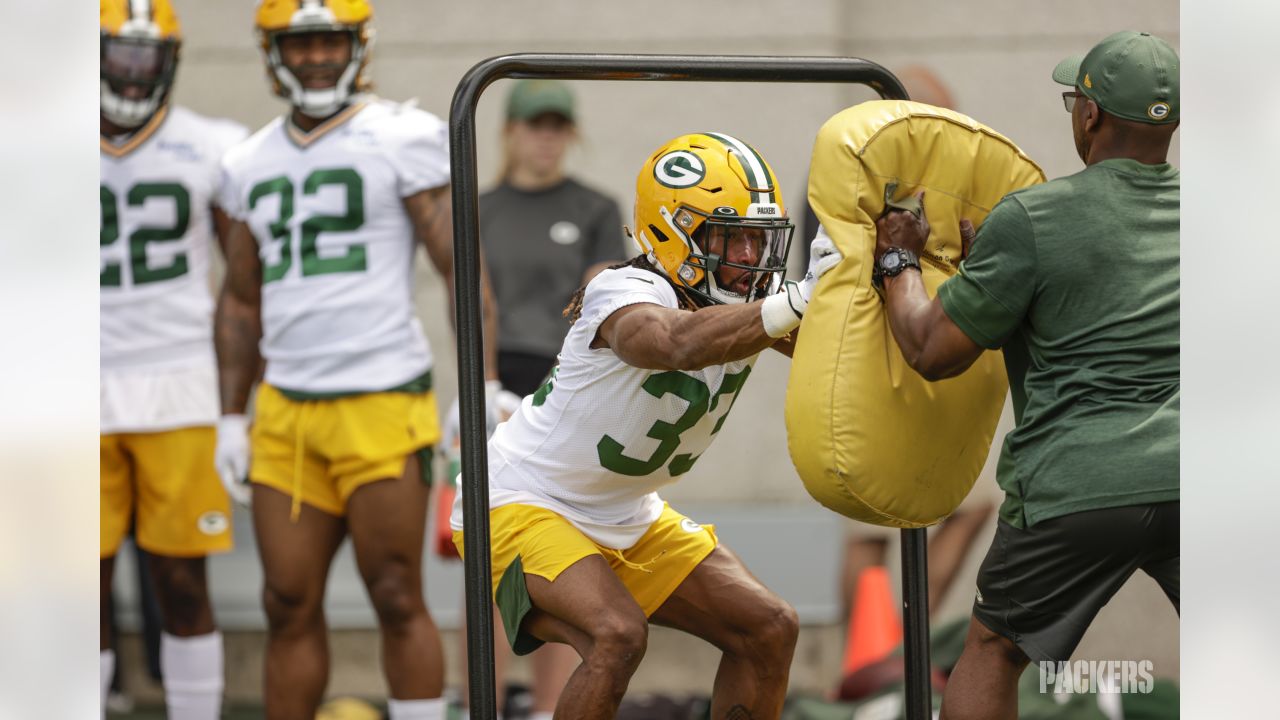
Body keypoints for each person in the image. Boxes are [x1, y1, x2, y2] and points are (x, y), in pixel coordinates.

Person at [452, 132, 843, 719]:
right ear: (671, 232)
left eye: (757, 240)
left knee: (768, 627)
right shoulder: (623, 289)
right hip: (522, 500)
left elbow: (848, 351)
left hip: (625, 513)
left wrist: (881, 275)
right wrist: (796, 301)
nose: (748, 257)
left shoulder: (755, 304)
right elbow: (671, 341)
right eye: (729, 237)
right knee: (617, 634)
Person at [871, 31, 1180, 720]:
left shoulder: (1034, 217)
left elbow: (929, 347)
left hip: (1081, 480)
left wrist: (897, 261)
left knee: (993, 648)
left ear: (1089, 116)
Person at [213, 2, 502, 718]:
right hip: (286, 409)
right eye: (299, 42)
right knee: (285, 601)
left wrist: (482, 382)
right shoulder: (245, 162)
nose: (314, 57)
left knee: (398, 593)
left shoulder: (401, 136)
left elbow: (459, 268)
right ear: (273, 52)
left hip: (381, 399)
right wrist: (228, 416)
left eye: (327, 41)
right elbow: (241, 302)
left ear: (357, 46)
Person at [446, 78, 625, 720]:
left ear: (570, 133)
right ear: (509, 131)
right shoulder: (478, 207)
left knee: (569, 553)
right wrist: (479, 386)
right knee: (489, 559)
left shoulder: (595, 207)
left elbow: (599, 299)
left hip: (568, 387)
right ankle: (481, 706)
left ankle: (551, 707)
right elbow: (468, 301)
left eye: (556, 125)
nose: (544, 138)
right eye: (533, 125)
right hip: (493, 386)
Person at [99, 1, 247, 718]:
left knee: (183, 583)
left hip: (180, 384)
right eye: (120, 56)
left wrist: (237, 406)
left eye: (146, 59)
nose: (133, 74)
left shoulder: (212, 145)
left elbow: (246, 285)